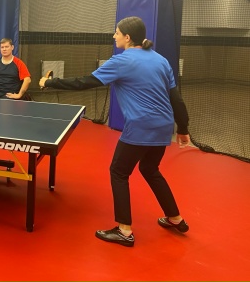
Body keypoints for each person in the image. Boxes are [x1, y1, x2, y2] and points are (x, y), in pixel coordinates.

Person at [39, 16, 190, 247]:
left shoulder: (122, 61)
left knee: (118, 172)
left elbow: (85, 82)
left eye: (117, 33)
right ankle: (175, 218)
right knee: (150, 169)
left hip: (140, 126)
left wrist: (49, 83)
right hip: (163, 127)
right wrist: (183, 128)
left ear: (127, 37)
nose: (114, 36)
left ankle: (124, 230)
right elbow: (175, 98)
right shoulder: (161, 60)